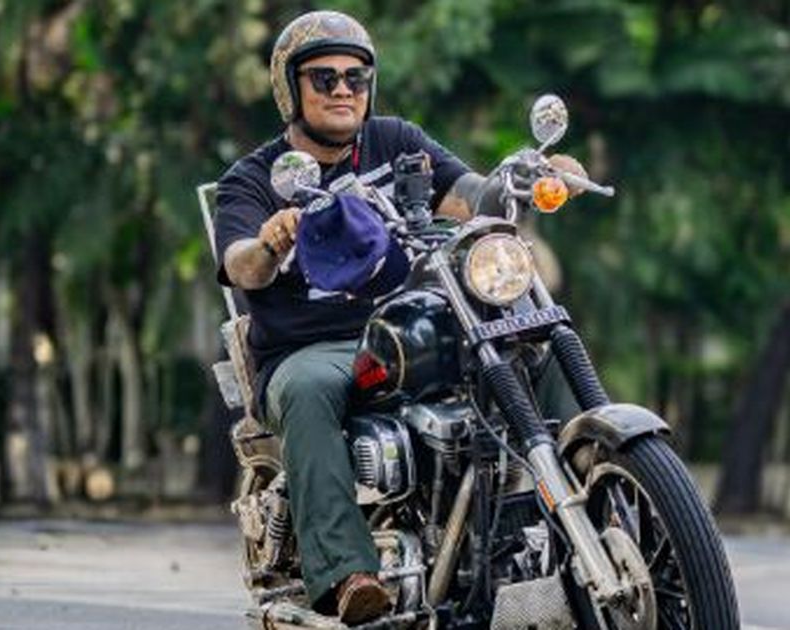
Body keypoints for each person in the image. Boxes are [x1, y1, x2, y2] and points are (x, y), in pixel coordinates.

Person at [214, 10, 587, 624]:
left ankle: (597, 490)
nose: (342, 89)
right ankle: (348, 573)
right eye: (324, 78)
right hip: (314, 349)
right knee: (307, 391)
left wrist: (534, 174)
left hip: (407, 329)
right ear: (290, 88)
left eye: (356, 78)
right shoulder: (254, 178)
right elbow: (241, 265)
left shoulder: (396, 142)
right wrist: (272, 241)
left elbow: (475, 197)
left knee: (530, 343)